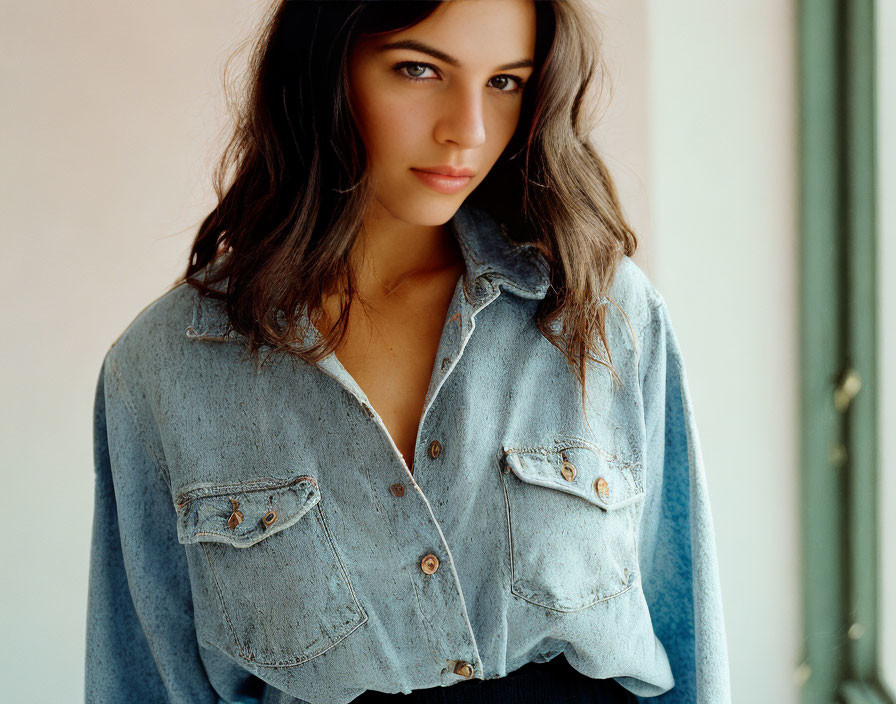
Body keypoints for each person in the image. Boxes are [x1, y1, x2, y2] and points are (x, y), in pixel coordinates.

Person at [84, 0, 732, 702]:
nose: (469, 130)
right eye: (420, 69)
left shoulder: (600, 311)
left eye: (506, 82)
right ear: (325, 71)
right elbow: (146, 678)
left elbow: (684, 631)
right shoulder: (164, 368)